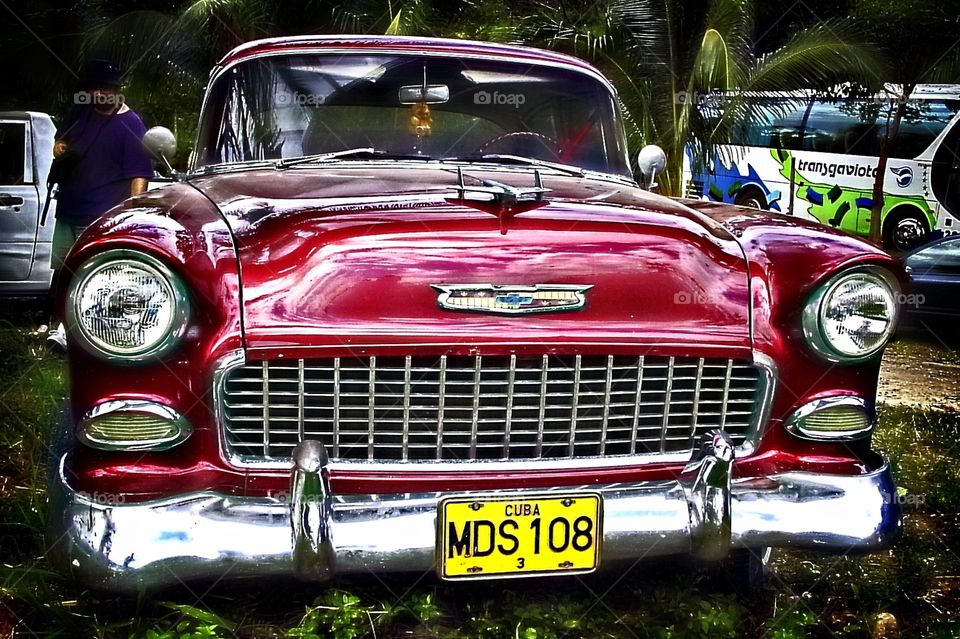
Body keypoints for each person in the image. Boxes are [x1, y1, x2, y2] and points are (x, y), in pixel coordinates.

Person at [46, 59, 155, 352]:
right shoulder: (79, 113)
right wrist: (59, 147)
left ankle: (83, 336)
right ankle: (58, 329)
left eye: (109, 88)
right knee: (63, 272)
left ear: (118, 90)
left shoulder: (131, 124)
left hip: (100, 217)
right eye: (97, 88)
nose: (103, 93)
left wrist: (132, 213)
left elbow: (139, 174)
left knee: (93, 278)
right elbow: (60, 140)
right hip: (68, 210)